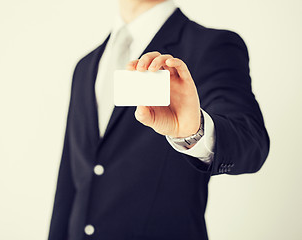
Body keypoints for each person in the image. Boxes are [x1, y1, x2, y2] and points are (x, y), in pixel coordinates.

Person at [48, 0, 270, 239]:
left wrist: (193, 132)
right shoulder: (84, 66)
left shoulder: (212, 46)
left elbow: (251, 142)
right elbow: (69, 184)